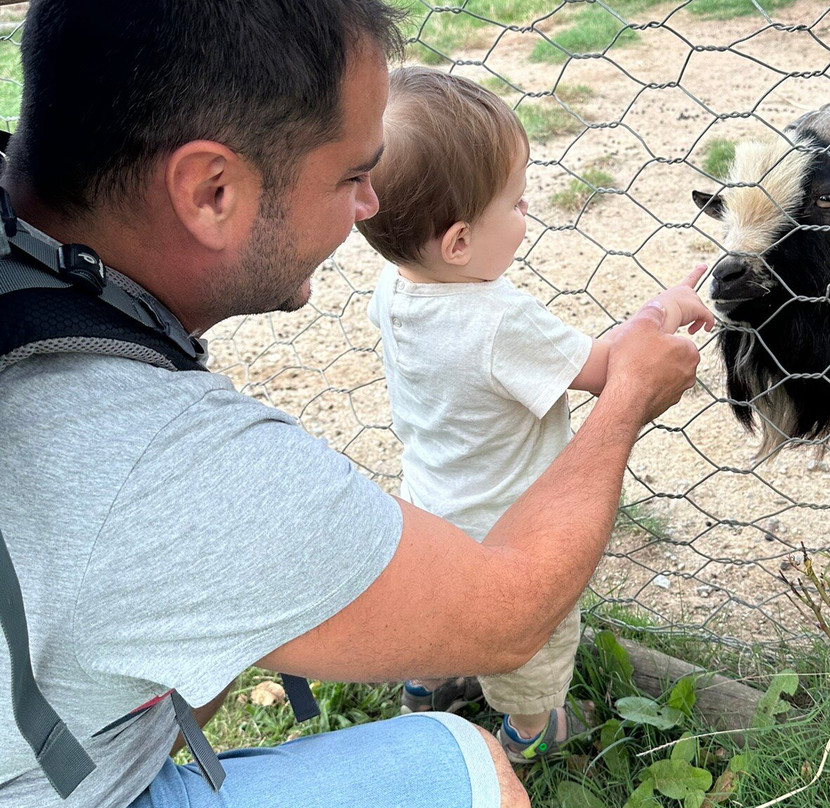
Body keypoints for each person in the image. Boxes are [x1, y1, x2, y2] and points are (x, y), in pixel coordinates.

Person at [0, 2, 703, 807]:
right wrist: (628, 401)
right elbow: (511, 615)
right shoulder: (167, 460)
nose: (372, 209)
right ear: (211, 190)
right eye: (351, 176)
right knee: (463, 765)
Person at [356, 66, 714, 763]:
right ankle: (530, 732)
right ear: (458, 242)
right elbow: (605, 369)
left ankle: (429, 690)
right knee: (531, 643)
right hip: (510, 530)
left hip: (431, 514)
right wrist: (663, 310)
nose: (529, 216)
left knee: (440, 618)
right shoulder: (496, 318)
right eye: (517, 204)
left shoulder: (392, 290)